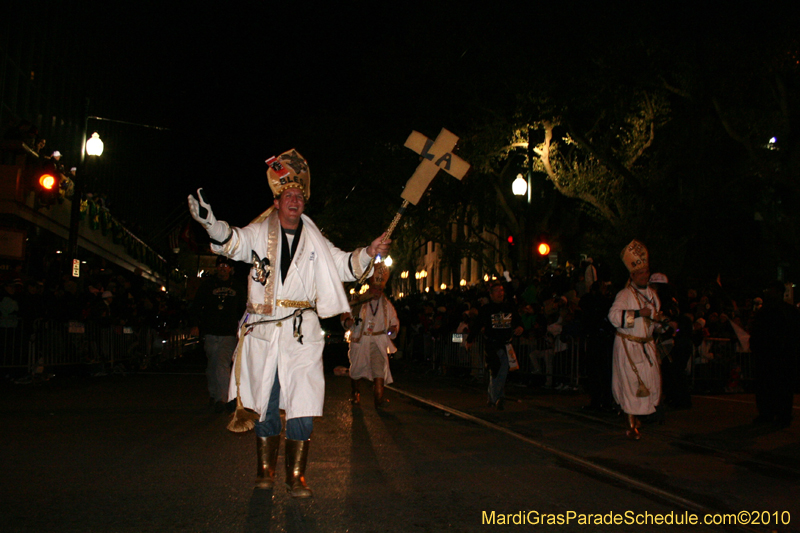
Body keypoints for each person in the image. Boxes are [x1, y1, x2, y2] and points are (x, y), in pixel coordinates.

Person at [187, 148, 389, 498]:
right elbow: (231, 242)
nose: (294, 200)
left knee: (303, 404)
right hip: (264, 332)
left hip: (302, 334)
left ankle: (296, 476)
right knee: (266, 401)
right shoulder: (257, 232)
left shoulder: (315, 240)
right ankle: (264, 471)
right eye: (288, 196)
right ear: (277, 203)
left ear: (303, 204)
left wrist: (369, 253)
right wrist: (210, 222)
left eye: (299, 196)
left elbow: (344, 265)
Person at [609, 240, 663, 440]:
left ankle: (640, 417)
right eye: (641, 273)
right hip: (629, 345)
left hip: (646, 345)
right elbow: (614, 317)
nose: (645, 276)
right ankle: (631, 423)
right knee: (631, 384)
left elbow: (654, 320)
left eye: (646, 272)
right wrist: (639, 314)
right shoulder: (624, 295)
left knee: (648, 383)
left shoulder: (652, 295)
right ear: (632, 275)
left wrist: (659, 322)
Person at [189, 255, 247, 413]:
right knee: (212, 365)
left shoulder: (237, 287)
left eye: (225, 266)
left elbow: (243, 309)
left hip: (228, 332)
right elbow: (196, 306)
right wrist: (195, 325)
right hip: (210, 332)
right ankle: (214, 394)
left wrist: (244, 327)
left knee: (222, 364)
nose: (222, 268)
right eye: (220, 265)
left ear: (231, 269)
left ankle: (223, 398)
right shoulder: (207, 286)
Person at [341, 263, 399, 408]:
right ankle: (355, 393)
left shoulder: (387, 305)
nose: (377, 291)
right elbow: (346, 314)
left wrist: (392, 329)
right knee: (356, 369)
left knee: (379, 369)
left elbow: (394, 320)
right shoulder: (360, 301)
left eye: (380, 289)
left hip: (378, 341)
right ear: (370, 287)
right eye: (375, 288)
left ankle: (378, 399)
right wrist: (348, 321)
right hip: (361, 340)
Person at [749, 281, 800, 428]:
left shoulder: (782, 311)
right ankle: (771, 413)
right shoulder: (770, 311)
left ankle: (778, 414)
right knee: (770, 386)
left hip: (779, 356)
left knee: (778, 386)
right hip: (772, 355)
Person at [465, 281, 523, 410]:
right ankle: (497, 397)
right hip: (492, 345)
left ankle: (494, 397)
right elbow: (478, 325)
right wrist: (470, 340)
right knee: (496, 371)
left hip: (506, 345)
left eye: (501, 291)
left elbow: (518, 320)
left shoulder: (509, 307)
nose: (500, 293)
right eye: (497, 291)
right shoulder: (487, 310)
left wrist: (520, 327)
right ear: (491, 295)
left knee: (502, 371)